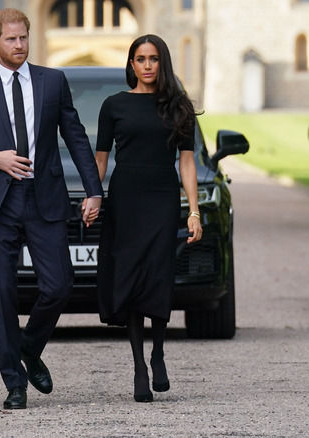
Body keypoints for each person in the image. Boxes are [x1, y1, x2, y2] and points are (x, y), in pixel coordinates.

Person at [0, 8, 103, 410]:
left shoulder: (52, 81)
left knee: (59, 285)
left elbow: (77, 137)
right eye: (11, 39)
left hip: (44, 197)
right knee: (2, 295)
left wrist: (94, 190)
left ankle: (29, 348)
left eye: (24, 38)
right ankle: (14, 384)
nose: (19, 45)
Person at [94, 34, 203, 403]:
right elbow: (101, 159)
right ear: (131, 64)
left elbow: (187, 162)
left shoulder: (179, 107)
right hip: (126, 200)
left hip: (162, 200)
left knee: (158, 274)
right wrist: (94, 196)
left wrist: (194, 210)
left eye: (153, 59)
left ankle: (158, 353)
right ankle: (139, 365)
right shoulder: (113, 106)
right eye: (139, 59)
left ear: (162, 63)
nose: (146, 65)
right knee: (130, 275)